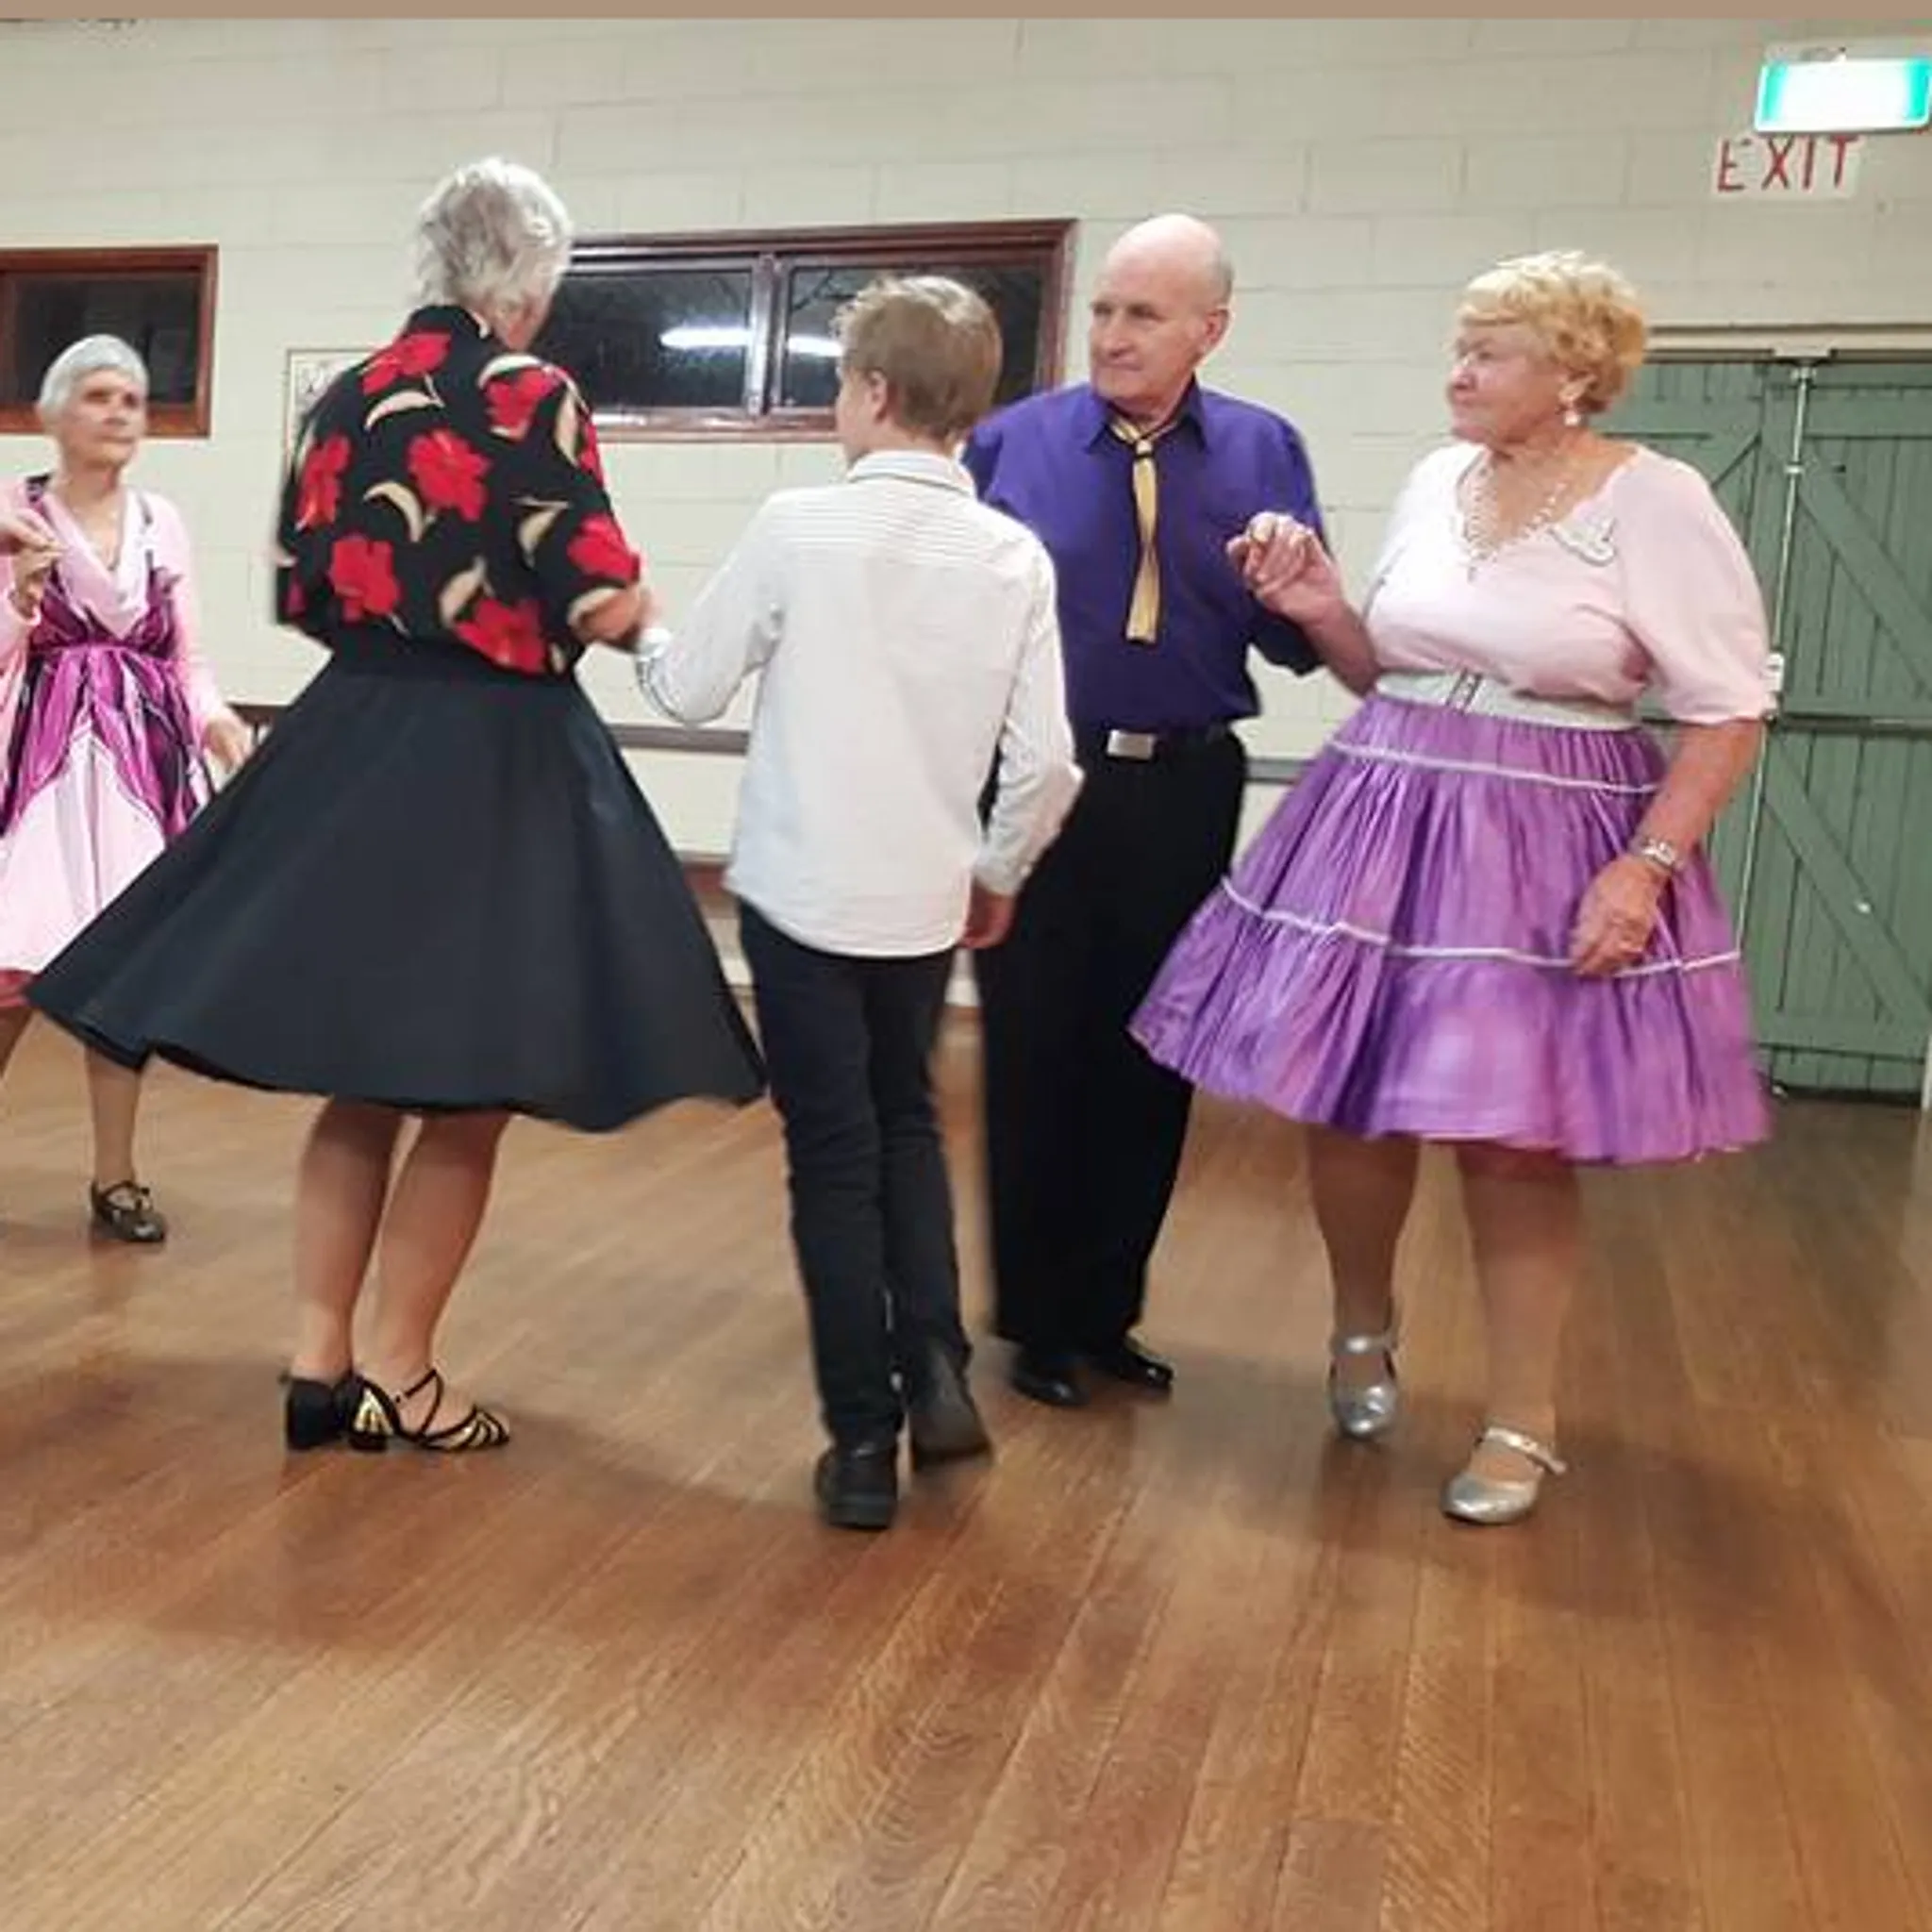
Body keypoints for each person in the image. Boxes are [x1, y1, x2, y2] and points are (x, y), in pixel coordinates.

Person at [30, 158, 764, 1455]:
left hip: (357, 741)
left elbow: (301, 590)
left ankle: (320, 1366)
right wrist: (649, 624)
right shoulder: (538, 392)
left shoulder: (344, 396)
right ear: (526, 285)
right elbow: (590, 587)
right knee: (465, 1091)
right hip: (497, 758)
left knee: (365, 1077)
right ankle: (406, 1370)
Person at [1132, 250, 1773, 1524]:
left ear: (1577, 375)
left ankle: (1522, 1419)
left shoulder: (1657, 500)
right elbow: (1394, 672)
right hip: (1385, 805)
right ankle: (1361, 1326)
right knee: (1350, 1101)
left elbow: (1728, 708)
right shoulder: (1436, 479)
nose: (1458, 372)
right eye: (1459, 344)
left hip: (1548, 837)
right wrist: (1319, 606)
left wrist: (1645, 868)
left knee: (1515, 1139)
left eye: (1490, 352)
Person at [641, 276, 1081, 1531]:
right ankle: (935, 1368)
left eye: (839, 383)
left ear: (875, 394)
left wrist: (640, 629)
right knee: (906, 1131)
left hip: (798, 894)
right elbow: (1050, 763)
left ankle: (861, 1440)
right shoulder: (1013, 557)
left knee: (830, 1160)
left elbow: (686, 691)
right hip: (923, 901)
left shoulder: (796, 526)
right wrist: (996, 871)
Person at [960, 212, 1327, 1409]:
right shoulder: (1012, 443)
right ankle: (1035, 1320)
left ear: (1207, 330)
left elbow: (1293, 638)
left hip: (1184, 779)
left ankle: (1108, 1307)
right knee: (1033, 1046)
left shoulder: (1266, 452)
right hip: (1039, 776)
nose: (1111, 335)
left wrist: (1294, 587)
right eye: (1104, 309)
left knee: (1153, 1047)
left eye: (1143, 314)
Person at [0, 338, 251, 1244]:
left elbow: (186, 654)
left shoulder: (161, 520)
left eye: (134, 400)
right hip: (42, 768)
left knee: (121, 983)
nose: (119, 414)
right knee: (13, 970)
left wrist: (217, 719)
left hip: (142, 768)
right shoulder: (13, 511)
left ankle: (117, 1176)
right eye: (100, 397)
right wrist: (20, 600)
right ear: (55, 413)